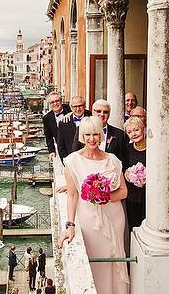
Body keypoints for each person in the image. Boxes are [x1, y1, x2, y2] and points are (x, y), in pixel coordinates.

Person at [59, 116, 129, 294]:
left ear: (101, 135)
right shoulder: (72, 161)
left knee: (114, 257)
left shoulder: (112, 160)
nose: (92, 139)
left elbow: (123, 192)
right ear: (82, 136)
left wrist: (104, 197)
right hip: (89, 221)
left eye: (96, 134)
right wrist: (70, 225)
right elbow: (72, 195)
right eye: (88, 134)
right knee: (96, 259)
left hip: (114, 217)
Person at [71, 99, 127, 164]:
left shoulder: (119, 134)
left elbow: (122, 160)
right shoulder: (81, 129)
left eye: (105, 112)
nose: (102, 114)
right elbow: (75, 155)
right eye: (98, 111)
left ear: (109, 114)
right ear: (92, 112)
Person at [123, 116, 147, 231]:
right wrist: (126, 174)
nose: (134, 134)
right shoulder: (127, 149)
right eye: (129, 132)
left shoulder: (153, 148)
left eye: (136, 130)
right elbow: (124, 168)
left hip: (149, 195)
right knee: (134, 225)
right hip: (132, 195)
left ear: (143, 129)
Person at [56, 95, 91, 160]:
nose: (78, 109)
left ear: (84, 106)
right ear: (71, 108)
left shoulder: (91, 118)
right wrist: (66, 162)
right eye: (75, 106)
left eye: (80, 106)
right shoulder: (63, 123)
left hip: (89, 160)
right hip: (71, 160)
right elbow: (61, 146)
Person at [42, 92, 70, 162]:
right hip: (61, 149)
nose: (55, 104)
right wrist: (52, 151)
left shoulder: (70, 109)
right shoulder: (47, 118)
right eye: (52, 102)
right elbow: (48, 137)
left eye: (57, 101)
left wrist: (71, 114)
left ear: (61, 101)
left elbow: (86, 112)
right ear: (49, 104)